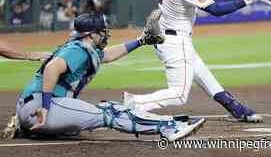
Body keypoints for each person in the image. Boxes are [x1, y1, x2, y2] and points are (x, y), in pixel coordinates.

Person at [3, 12, 205, 141]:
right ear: (91, 35)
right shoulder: (79, 49)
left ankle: (26, 127)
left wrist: (141, 41)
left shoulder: (81, 47)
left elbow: (107, 55)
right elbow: (51, 69)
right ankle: (168, 127)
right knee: (109, 111)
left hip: (29, 109)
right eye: (102, 32)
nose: (106, 35)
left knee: (76, 128)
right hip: (41, 109)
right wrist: (45, 108)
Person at [124, 0, 263, 122]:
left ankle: (237, 109)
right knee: (179, 94)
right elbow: (216, 10)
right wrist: (246, 1)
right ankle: (134, 103)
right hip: (175, 41)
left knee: (205, 77)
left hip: (166, 36)